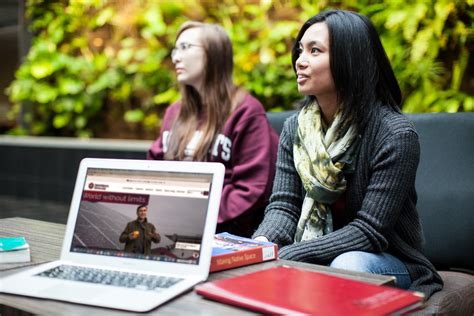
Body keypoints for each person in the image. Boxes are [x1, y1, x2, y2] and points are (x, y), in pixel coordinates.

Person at [253, 9, 443, 298]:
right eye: (300, 50)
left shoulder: (395, 135)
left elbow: (370, 231)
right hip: (311, 253)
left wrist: (290, 255)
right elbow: (284, 206)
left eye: (314, 51)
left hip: (386, 259)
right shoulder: (296, 129)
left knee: (346, 263)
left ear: (348, 59)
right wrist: (262, 245)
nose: (299, 61)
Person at [148, 21, 279, 237]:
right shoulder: (174, 113)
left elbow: (252, 189)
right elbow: (152, 170)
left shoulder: (246, 112)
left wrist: (193, 216)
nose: (175, 57)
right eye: (175, 50)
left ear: (213, 54)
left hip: (224, 235)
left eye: (186, 47)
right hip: (168, 229)